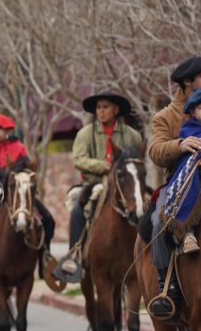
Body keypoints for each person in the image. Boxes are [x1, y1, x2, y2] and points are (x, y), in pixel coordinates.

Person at [148, 56, 201, 319]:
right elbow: (155, 150)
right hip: (182, 185)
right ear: (187, 82)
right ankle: (167, 290)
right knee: (156, 221)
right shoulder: (166, 116)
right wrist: (179, 145)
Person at [54, 92, 142, 279]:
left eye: (105, 107)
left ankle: (148, 253)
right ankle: (74, 255)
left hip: (124, 183)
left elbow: (138, 159)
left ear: (116, 110)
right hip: (94, 183)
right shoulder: (85, 133)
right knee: (78, 209)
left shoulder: (132, 135)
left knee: (146, 206)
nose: (101, 112)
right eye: (98, 108)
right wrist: (102, 166)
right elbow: (78, 159)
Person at [0, 113, 55, 254]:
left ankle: (44, 256)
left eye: (0, 128)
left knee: (48, 219)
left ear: (7, 130)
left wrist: (9, 173)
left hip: (16, 192)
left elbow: (26, 166)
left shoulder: (17, 146)